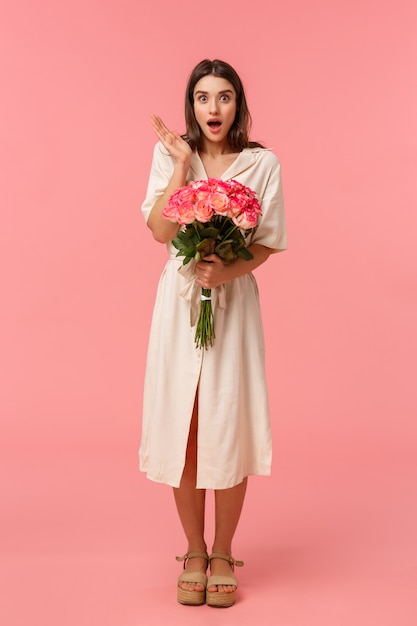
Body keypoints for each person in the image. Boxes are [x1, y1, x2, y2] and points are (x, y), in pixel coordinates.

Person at [139, 59, 287, 608]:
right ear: (191, 105)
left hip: (232, 300)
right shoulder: (171, 153)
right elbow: (160, 231)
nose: (213, 109)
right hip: (181, 304)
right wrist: (181, 167)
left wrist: (227, 269)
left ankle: (224, 550)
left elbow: (267, 240)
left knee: (227, 418)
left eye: (224, 97)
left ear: (238, 105)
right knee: (187, 421)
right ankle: (194, 551)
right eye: (203, 98)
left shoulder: (262, 163)